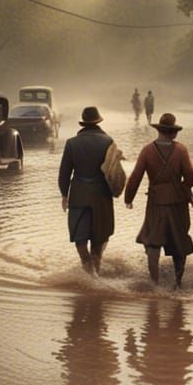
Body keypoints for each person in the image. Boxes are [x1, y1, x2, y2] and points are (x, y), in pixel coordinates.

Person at [124, 112, 193, 287]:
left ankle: (154, 283)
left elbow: (135, 177)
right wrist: (183, 186)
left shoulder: (147, 150)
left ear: (159, 131)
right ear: (173, 132)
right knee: (179, 240)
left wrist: (129, 198)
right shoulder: (181, 150)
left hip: (155, 202)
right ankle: (178, 282)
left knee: (152, 241)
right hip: (177, 202)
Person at [58, 107, 117, 275]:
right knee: (99, 237)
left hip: (79, 195)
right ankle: (96, 273)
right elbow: (114, 173)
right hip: (101, 196)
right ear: (98, 122)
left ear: (83, 122)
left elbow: (64, 172)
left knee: (80, 236)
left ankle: (87, 268)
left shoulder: (72, 143)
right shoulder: (108, 141)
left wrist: (64, 194)